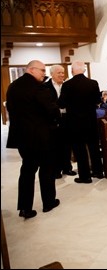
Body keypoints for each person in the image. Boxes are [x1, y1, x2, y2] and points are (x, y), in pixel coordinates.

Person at [6, 60, 61, 219]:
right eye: (42, 71)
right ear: (30, 69)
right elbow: (51, 110)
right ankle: (49, 202)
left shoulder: (13, 87)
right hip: (41, 136)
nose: (44, 74)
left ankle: (24, 208)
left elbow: (10, 109)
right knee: (46, 169)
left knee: (27, 171)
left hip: (22, 137)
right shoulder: (39, 87)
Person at [58, 61, 104, 183]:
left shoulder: (67, 85)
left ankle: (85, 176)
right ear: (83, 70)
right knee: (93, 147)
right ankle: (98, 172)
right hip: (90, 120)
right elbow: (97, 101)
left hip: (75, 122)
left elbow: (61, 103)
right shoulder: (93, 83)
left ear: (72, 70)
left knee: (80, 150)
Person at [44, 64, 76, 179]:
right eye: (59, 73)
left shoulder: (68, 86)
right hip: (53, 120)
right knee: (55, 146)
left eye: (63, 72)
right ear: (52, 74)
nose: (62, 75)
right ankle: (56, 170)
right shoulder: (45, 87)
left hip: (67, 119)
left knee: (67, 145)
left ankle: (67, 168)